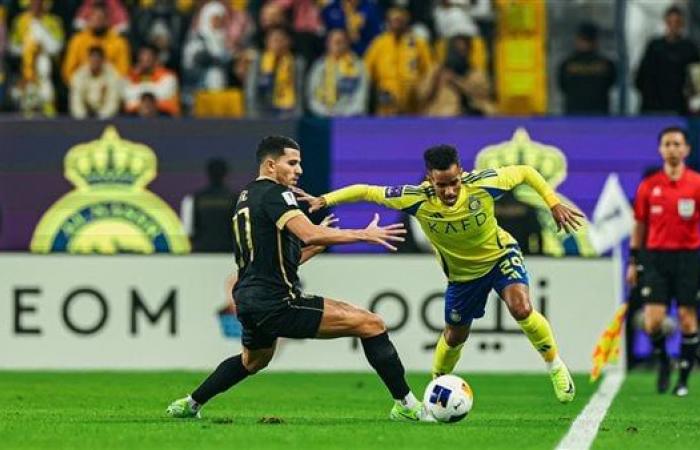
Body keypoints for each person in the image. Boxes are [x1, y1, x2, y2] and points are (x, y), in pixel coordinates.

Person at [167, 136, 433, 422]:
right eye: (292, 163)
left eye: (300, 163)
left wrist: (316, 245)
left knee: (253, 360)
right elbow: (309, 232)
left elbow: (280, 259)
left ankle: (191, 403)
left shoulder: (246, 197)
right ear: (270, 165)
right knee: (371, 324)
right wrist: (363, 234)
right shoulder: (275, 194)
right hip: (277, 301)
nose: (299, 170)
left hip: (248, 299)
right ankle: (405, 404)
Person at [296, 145, 583, 403]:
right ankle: (437, 385)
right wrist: (325, 200)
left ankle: (554, 365)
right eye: (441, 185)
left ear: (461, 172)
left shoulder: (482, 184)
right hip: (462, 277)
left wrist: (552, 202)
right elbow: (367, 191)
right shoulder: (415, 198)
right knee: (455, 335)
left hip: (500, 256)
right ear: (429, 180)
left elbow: (525, 171)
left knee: (521, 307)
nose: (449, 192)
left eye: (454, 183)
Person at [627, 126, 700, 397]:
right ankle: (663, 362)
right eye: (667, 144)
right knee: (653, 322)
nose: (672, 148)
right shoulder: (649, 187)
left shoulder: (696, 183)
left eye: (677, 144)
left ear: (686, 150)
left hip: (687, 258)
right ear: (660, 150)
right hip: (655, 258)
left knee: (687, 319)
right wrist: (633, 261)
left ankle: (682, 379)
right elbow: (639, 226)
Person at [635, 6, 700, 115]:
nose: (674, 26)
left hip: (679, 107)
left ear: (682, 24)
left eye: (677, 22)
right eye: (671, 22)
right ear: (665, 22)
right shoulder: (654, 47)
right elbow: (642, 77)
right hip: (654, 106)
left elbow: (695, 78)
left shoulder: (689, 49)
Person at [306, 28, 368, 117]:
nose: (337, 44)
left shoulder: (359, 66)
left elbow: (361, 96)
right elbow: (312, 96)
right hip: (323, 117)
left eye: (341, 41)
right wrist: (325, 112)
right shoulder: (319, 66)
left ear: (348, 44)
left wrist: (345, 114)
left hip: (351, 118)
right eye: (334, 41)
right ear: (327, 44)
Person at [557, 22, 616, 115]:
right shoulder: (606, 64)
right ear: (596, 41)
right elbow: (611, 83)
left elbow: (562, 86)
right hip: (600, 115)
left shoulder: (567, 64)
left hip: (573, 115)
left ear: (578, 39)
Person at [180, 158, 236, 253]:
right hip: (229, 253)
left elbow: (188, 231)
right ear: (226, 174)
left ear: (208, 174)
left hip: (201, 253)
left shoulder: (193, 199)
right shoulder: (237, 199)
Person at [69, 46, 121, 119]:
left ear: (103, 60)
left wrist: (101, 117)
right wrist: (82, 118)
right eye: (93, 59)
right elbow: (76, 100)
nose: (95, 62)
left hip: (106, 117)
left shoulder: (112, 74)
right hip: (85, 114)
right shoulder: (79, 75)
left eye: (98, 60)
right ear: (89, 59)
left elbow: (113, 101)